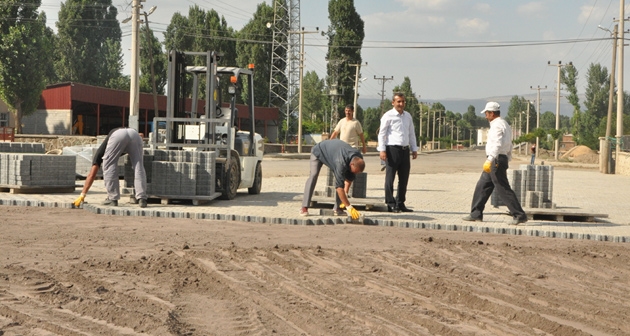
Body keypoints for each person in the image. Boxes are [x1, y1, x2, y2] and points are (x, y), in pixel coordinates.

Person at [462, 102, 528, 225]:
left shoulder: (497, 125)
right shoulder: (504, 124)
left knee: (502, 188)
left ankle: (519, 214)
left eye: (486, 114)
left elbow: (498, 144)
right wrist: (507, 157)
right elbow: (509, 144)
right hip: (498, 159)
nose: (485, 116)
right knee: (482, 186)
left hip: (495, 160)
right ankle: (476, 213)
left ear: (492, 113)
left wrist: (490, 159)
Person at [73, 127, 148, 208]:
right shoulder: (116, 146)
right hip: (134, 133)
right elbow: (141, 135)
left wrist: (82, 194)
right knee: (138, 165)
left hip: (119, 135)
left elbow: (91, 175)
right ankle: (142, 198)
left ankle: (112, 198)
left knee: (109, 163)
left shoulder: (100, 153)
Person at [301, 139, 365, 219]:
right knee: (313, 176)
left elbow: (348, 181)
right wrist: (349, 207)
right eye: (355, 172)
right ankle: (304, 207)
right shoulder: (341, 163)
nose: (355, 174)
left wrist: (344, 199)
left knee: (341, 183)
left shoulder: (358, 158)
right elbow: (339, 188)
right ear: (351, 164)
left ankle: (337, 208)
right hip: (318, 151)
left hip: (334, 154)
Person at [377, 92, 418, 213]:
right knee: (390, 178)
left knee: (404, 178)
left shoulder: (408, 116)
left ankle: (400, 203)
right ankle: (390, 203)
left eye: (403, 101)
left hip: (405, 150)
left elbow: (411, 133)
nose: (401, 104)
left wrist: (414, 148)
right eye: (398, 101)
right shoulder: (388, 116)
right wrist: (382, 150)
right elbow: (382, 133)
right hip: (392, 149)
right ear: (393, 102)